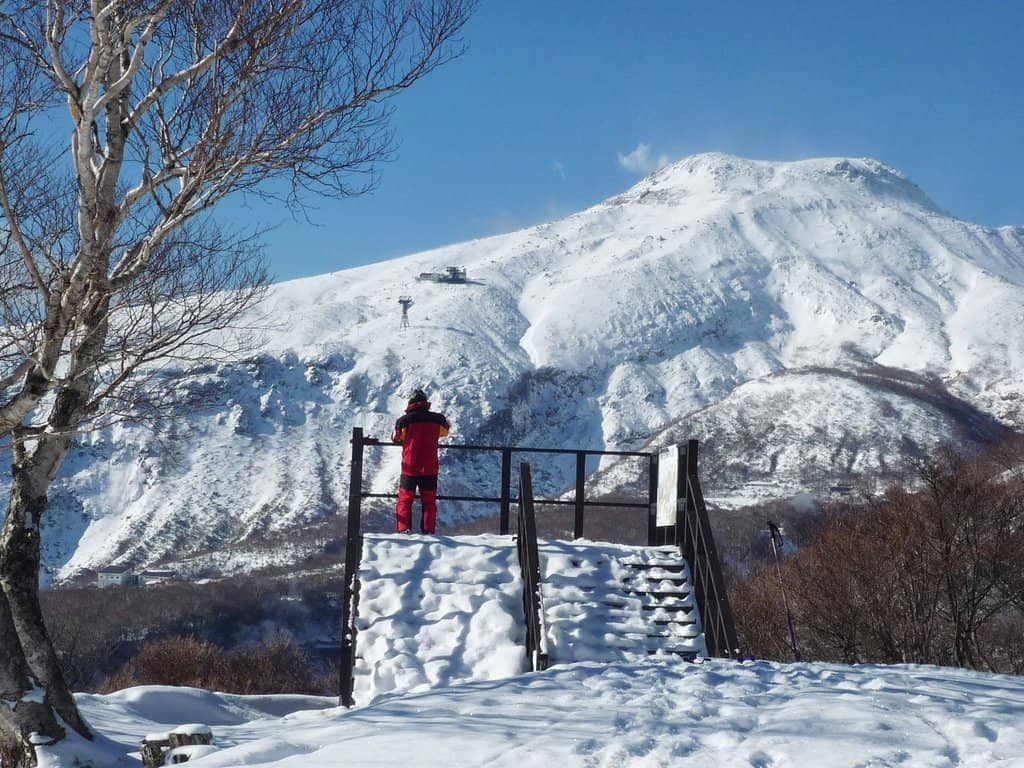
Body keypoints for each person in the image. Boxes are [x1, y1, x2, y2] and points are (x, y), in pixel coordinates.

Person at [391, 388, 450, 533]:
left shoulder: (404, 421)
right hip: (430, 466)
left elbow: (395, 438)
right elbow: (446, 431)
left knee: (405, 499)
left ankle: (404, 529)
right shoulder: (438, 419)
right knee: (429, 500)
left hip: (410, 466)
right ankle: (428, 531)